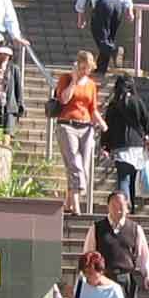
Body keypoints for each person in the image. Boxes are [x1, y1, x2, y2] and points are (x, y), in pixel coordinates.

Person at [82, 190, 149, 298]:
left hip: (126, 279)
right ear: (108, 207)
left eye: (121, 206)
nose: (118, 209)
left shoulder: (135, 229)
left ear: (127, 207)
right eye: (114, 205)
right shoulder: (97, 228)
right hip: (103, 278)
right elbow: (88, 254)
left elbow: (143, 255)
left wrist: (147, 275)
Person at [53, 50, 103, 213]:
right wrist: (73, 81)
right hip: (67, 124)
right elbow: (64, 99)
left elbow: (93, 108)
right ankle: (76, 206)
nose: (84, 72)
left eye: (87, 69)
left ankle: (68, 203)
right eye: (82, 68)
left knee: (84, 165)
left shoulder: (91, 85)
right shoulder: (66, 79)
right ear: (77, 65)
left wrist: (103, 124)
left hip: (86, 126)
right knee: (74, 164)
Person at [103, 72, 149, 214]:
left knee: (123, 178)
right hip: (137, 145)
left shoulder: (113, 105)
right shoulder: (137, 101)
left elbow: (107, 127)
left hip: (119, 146)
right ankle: (131, 208)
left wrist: (105, 146)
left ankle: (124, 209)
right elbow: (146, 122)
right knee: (132, 178)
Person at [74, 0, 133, 74]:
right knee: (108, 38)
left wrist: (80, 15)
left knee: (98, 33)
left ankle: (114, 51)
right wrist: (129, 10)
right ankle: (101, 68)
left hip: (103, 4)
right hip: (118, 6)